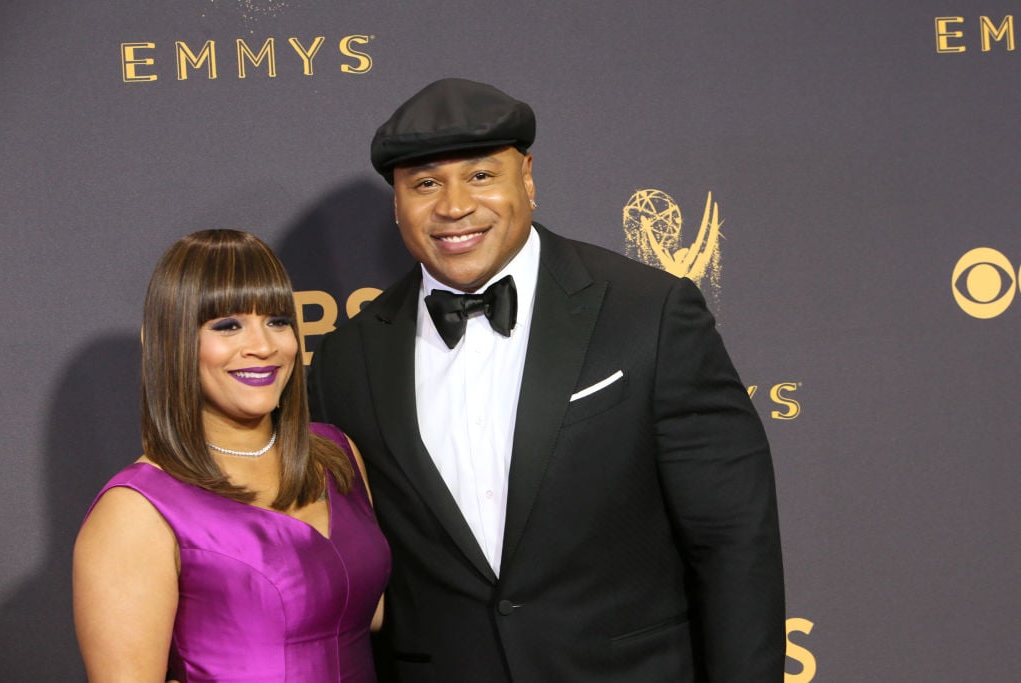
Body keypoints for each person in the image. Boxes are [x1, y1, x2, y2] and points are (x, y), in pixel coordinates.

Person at [309, 78, 784, 682]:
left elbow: (733, 539)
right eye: (425, 184)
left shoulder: (648, 312)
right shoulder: (347, 359)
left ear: (527, 179)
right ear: (397, 203)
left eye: (481, 175)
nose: (454, 206)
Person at [73, 229, 390, 682]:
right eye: (227, 326)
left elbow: (368, 615)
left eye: (277, 321)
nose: (263, 346)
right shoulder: (136, 510)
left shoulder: (336, 456)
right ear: (173, 342)